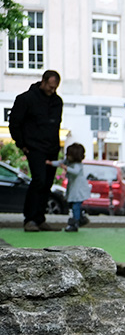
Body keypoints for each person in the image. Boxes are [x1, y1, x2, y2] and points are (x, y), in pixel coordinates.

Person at [10, 69, 63, 232]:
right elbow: (15, 123)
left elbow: (56, 125)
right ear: (44, 82)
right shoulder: (25, 99)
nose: (52, 90)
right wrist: (22, 144)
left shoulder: (57, 102)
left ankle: (40, 218)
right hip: (34, 147)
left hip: (51, 147)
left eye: (55, 88)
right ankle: (30, 218)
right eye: (50, 86)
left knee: (47, 183)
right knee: (38, 180)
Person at [47, 142, 87, 233]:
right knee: (73, 205)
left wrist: (65, 168)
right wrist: (51, 163)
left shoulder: (78, 165)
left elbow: (75, 172)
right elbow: (60, 163)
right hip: (73, 188)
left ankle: (75, 222)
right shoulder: (68, 162)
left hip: (79, 189)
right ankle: (80, 218)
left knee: (75, 206)